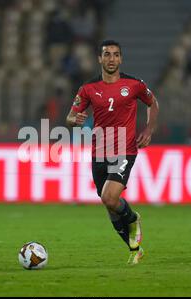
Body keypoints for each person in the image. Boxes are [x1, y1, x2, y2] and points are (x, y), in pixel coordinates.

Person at [65, 40, 160, 265]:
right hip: (99, 152)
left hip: (125, 150)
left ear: (121, 59)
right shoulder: (88, 88)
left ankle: (134, 219)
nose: (111, 59)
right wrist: (74, 120)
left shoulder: (134, 84)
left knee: (109, 197)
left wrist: (148, 128)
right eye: (107, 54)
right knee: (109, 205)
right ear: (100, 59)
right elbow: (69, 117)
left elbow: (153, 102)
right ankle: (134, 248)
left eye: (116, 55)